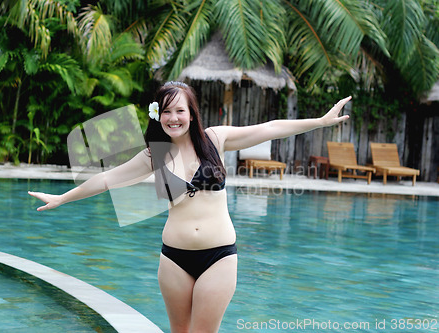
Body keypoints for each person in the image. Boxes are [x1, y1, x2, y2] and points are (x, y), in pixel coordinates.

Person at [29, 81, 351, 333]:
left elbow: (268, 128)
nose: (173, 118)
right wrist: (63, 198)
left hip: (219, 256)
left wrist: (320, 122)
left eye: (180, 111)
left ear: (192, 113)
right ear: (158, 116)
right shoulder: (152, 156)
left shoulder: (215, 139)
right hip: (174, 259)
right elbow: (105, 180)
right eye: (166, 112)